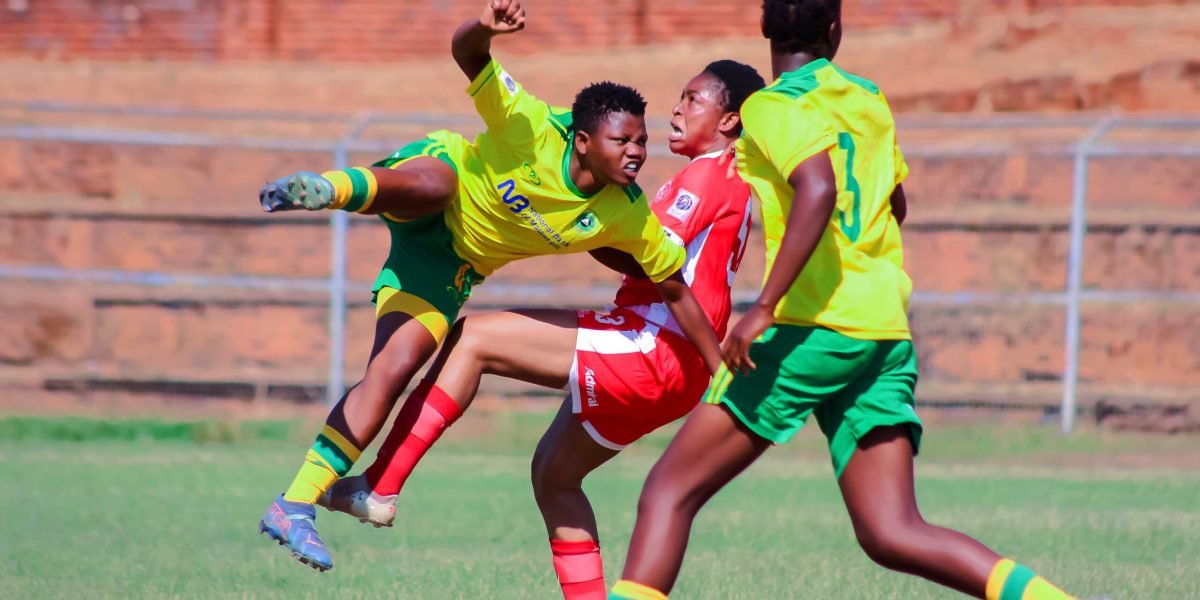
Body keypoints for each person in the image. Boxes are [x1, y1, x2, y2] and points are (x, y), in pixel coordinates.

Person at [607, 2, 1077, 600]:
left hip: (811, 328)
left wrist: (765, 306)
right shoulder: (868, 98)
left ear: (763, 27)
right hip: (881, 329)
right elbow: (894, 206)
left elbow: (819, 187)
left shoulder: (770, 107)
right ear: (835, 30)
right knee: (892, 531)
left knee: (667, 492)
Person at [254, 0, 723, 572]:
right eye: (621, 141)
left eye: (640, 142)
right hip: (437, 181)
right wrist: (483, 28)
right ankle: (325, 188)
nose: (635, 153)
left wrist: (718, 371)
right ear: (581, 141)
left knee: (393, 370)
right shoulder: (528, 125)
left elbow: (674, 287)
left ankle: (293, 505)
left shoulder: (627, 214)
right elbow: (468, 53)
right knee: (434, 183)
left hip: (445, 269)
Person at [318, 59, 765, 599]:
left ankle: (379, 485)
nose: (678, 108)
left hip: (653, 345)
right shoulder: (732, 181)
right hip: (679, 371)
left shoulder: (702, 177)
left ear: (729, 121)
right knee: (555, 475)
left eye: (694, 100)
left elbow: (650, 259)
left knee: (473, 339)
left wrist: (557, 213)